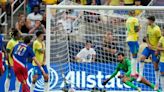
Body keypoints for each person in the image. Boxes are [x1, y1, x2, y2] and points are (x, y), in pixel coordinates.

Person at [139, 16, 161, 90]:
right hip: (149, 47)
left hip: (155, 49)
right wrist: (148, 44)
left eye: (148, 20)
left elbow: (160, 40)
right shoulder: (148, 27)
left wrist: (157, 49)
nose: (147, 21)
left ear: (151, 21)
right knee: (141, 58)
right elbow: (147, 37)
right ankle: (141, 75)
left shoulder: (157, 29)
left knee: (155, 66)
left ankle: (157, 83)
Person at [126, 10, 140, 77]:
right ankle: (133, 72)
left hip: (129, 39)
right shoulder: (135, 19)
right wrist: (140, 27)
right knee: (134, 56)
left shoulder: (128, 20)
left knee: (134, 55)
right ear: (134, 13)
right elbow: (136, 29)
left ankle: (135, 71)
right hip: (133, 39)